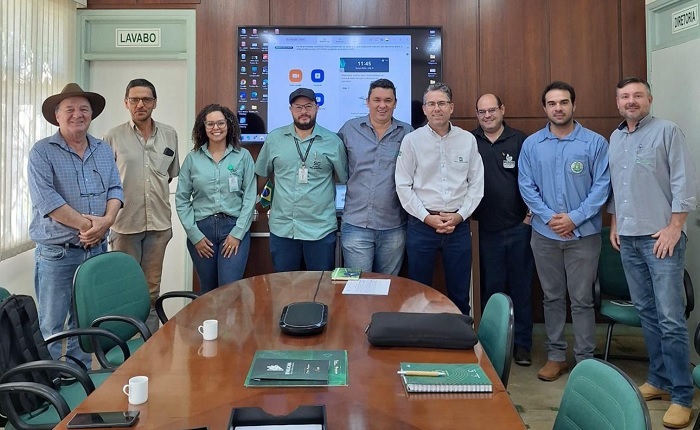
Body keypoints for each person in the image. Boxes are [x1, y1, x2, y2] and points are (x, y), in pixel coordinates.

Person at [608, 77, 697, 429]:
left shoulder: (668, 131)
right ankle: (658, 380)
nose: (631, 101)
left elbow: (684, 181)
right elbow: (618, 185)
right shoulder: (615, 137)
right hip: (628, 237)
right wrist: (615, 224)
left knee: (671, 317)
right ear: (617, 102)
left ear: (650, 99)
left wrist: (676, 226)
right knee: (647, 312)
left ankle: (682, 394)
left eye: (637, 96)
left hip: (661, 238)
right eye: (625, 96)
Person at [518, 81, 610, 381]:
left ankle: (585, 361)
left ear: (574, 105)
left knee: (582, 300)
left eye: (564, 102)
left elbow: (602, 187)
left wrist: (574, 219)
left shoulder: (595, 143)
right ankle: (556, 356)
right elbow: (526, 186)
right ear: (544, 108)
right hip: (544, 236)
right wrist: (550, 219)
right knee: (552, 297)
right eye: (552, 103)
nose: (558, 108)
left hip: (583, 237)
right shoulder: (532, 144)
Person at [28, 83, 124, 367]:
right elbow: (48, 201)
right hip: (57, 253)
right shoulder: (42, 152)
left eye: (83, 109)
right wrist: (90, 227)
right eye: (69, 109)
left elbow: (115, 190)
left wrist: (106, 222)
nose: (77, 114)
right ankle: (52, 382)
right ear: (57, 116)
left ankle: (77, 374)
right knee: (53, 323)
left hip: (95, 250)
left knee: (86, 318)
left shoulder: (103, 149)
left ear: (91, 114)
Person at [395, 82, 484, 315]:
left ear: (451, 107)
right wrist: (427, 218)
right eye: (431, 104)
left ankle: (463, 344)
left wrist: (459, 216)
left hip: (459, 227)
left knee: (459, 294)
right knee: (418, 293)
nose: (437, 109)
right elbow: (403, 185)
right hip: (421, 226)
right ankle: (419, 343)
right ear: (424, 109)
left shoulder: (467, 140)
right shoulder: (411, 141)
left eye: (442, 103)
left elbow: (476, 184)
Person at [103, 78, 180, 334]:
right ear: (126, 103)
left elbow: (169, 174)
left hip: (158, 225)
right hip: (125, 225)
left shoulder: (169, 134)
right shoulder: (113, 137)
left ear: (154, 103)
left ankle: (150, 346)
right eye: (134, 99)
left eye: (146, 99)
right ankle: (124, 346)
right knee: (124, 291)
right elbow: (107, 181)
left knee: (150, 291)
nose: (140, 104)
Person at [471, 93, 534, 366]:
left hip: (519, 227)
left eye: (492, 110)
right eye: (482, 111)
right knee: (491, 289)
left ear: (502, 110)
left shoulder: (521, 140)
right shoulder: (469, 141)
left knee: (521, 288)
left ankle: (522, 345)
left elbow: (535, 181)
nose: (487, 115)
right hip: (484, 230)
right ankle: (492, 345)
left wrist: (529, 217)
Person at [255, 88, 348, 272]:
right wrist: (260, 205)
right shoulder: (274, 139)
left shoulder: (333, 141)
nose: (303, 111)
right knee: (284, 289)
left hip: (320, 230)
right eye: (298, 107)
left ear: (317, 108)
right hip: (283, 229)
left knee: (319, 289)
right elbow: (263, 175)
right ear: (291, 109)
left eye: (308, 106)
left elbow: (343, 177)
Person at [176, 104, 256, 293]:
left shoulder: (243, 157)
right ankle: (209, 324)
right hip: (202, 232)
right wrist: (195, 236)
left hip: (234, 229)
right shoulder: (193, 159)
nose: (216, 128)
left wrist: (237, 234)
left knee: (229, 289)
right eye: (210, 124)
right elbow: (181, 199)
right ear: (203, 127)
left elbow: (250, 196)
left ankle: (230, 325)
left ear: (228, 125)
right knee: (208, 291)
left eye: (220, 123)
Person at [337, 79, 413, 275]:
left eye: (388, 100)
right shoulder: (349, 130)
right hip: (356, 225)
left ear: (395, 103)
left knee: (387, 288)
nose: (382, 105)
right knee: (357, 291)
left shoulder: (408, 133)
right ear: (367, 102)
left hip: (394, 226)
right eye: (377, 99)